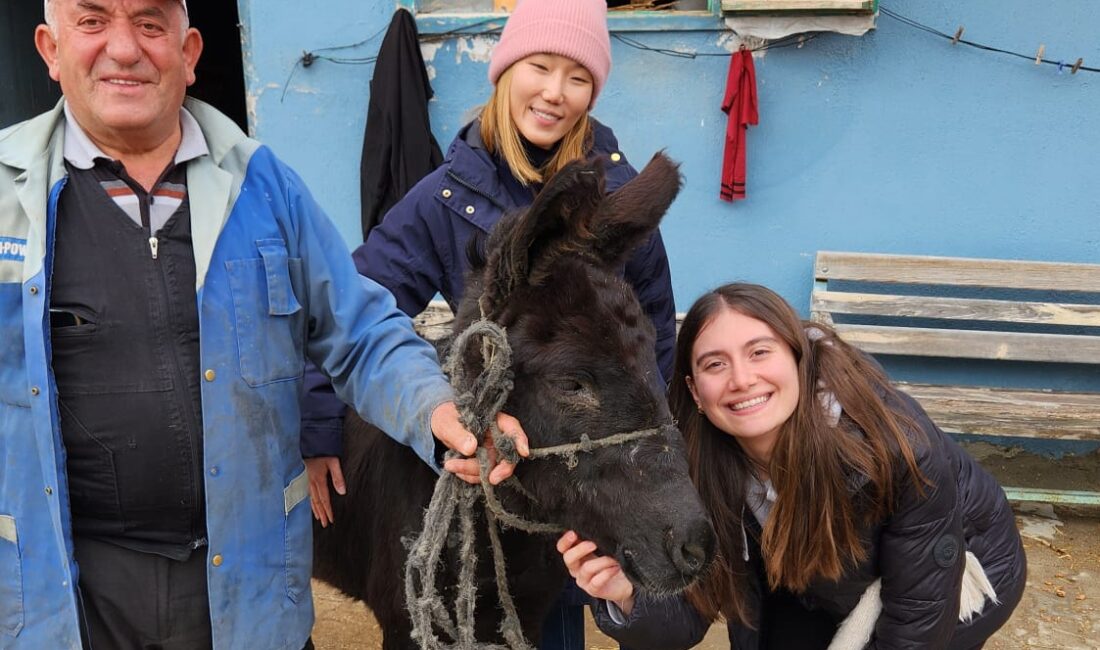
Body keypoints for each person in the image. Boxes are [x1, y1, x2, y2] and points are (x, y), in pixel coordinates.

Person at [0, 1, 528, 648]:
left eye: (148, 23)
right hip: (71, 602)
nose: (124, 48)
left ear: (189, 52)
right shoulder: (5, 198)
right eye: (92, 21)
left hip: (249, 598)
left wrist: (438, 410)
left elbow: (361, 330)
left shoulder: (265, 187)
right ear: (50, 49)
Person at [300, 1, 677, 647]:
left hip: (572, 466)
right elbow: (354, 307)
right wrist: (317, 424)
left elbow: (655, 337)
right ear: (505, 71)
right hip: (477, 456)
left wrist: (633, 461)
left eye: (578, 77)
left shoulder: (619, 202)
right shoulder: (446, 196)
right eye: (540, 65)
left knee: (549, 617)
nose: (556, 93)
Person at [560, 283, 1027, 649]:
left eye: (760, 352)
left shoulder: (897, 452)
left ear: (798, 359)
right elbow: (690, 615)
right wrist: (628, 594)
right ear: (695, 391)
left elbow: (918, 623)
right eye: (715, 364)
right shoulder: (701, 463)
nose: (742, 380)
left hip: (958, 572)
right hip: (811, 573)